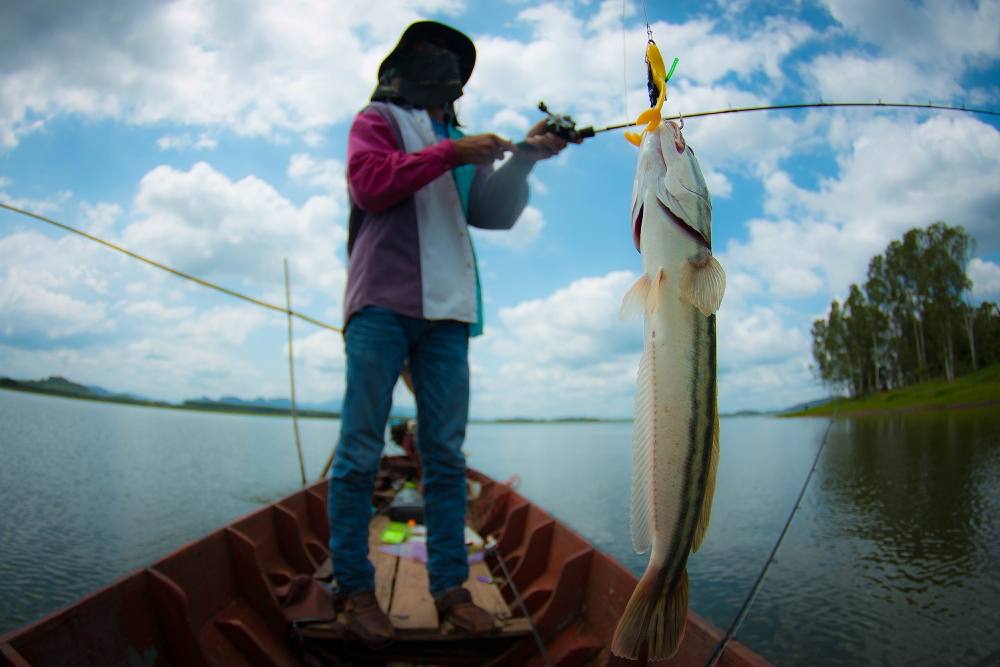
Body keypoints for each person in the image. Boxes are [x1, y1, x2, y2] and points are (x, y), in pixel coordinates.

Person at [328, 20, 570, 647]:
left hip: (449, 316)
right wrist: (450, 154)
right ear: (407, 67)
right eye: (437, 61)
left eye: (458, 66)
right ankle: (354, 589)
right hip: (382, 302)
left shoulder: (458, 137)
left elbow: (493, 213)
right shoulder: (376, 120)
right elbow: (370, 184)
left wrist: (525, 157)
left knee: (445, 457)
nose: (449, 73)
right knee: (359, 451)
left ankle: (450, 588)